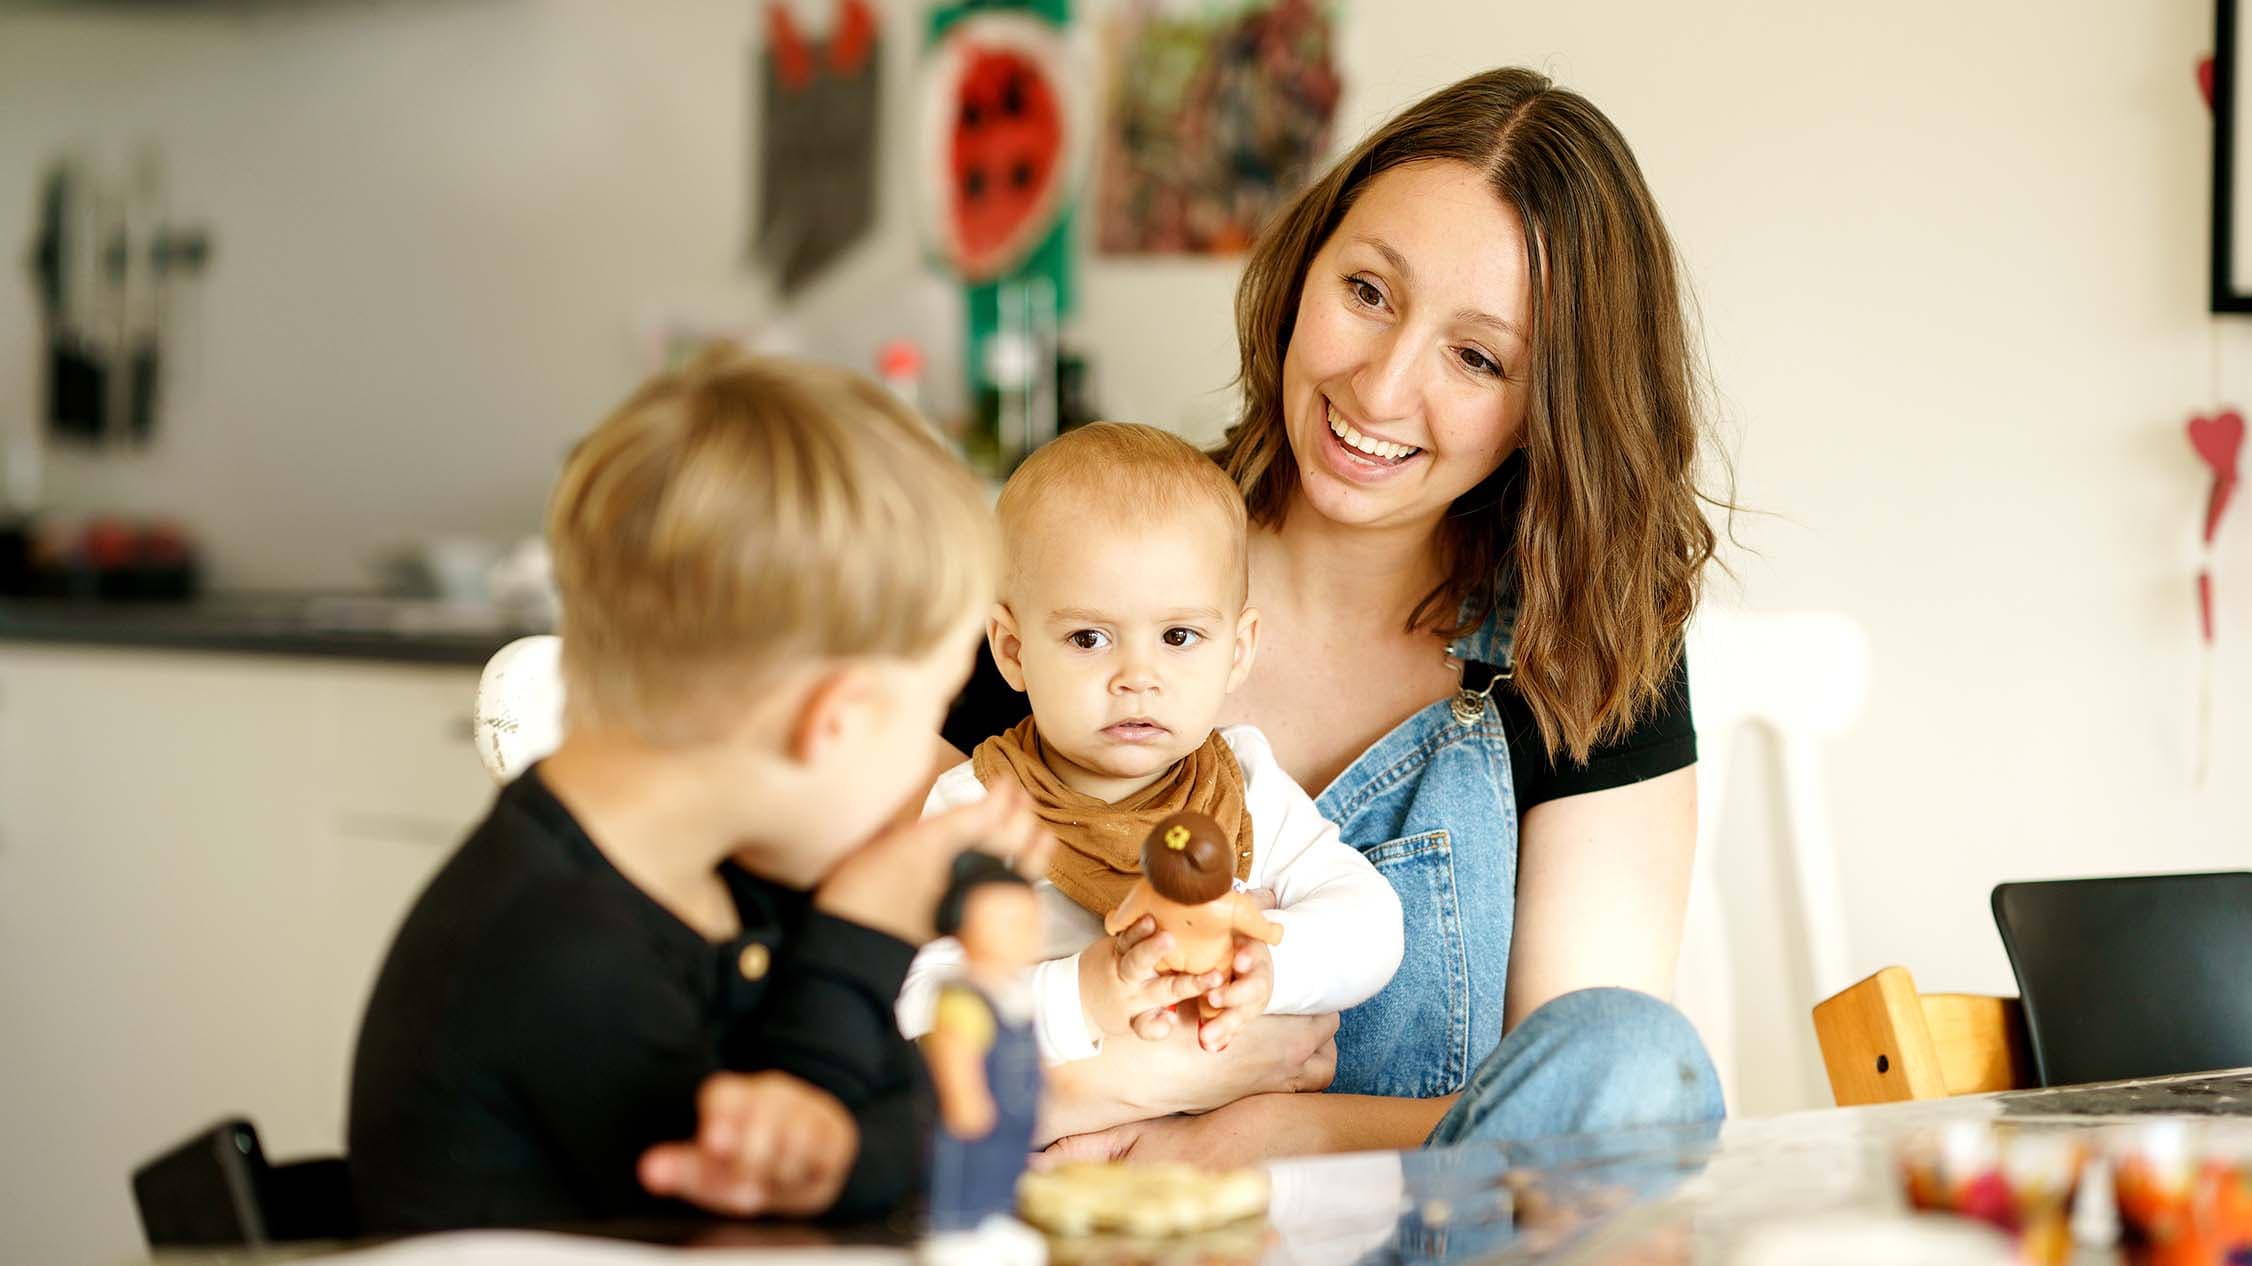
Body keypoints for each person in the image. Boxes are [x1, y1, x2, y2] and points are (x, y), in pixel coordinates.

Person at [943, 66, 1727, 1161]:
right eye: (1366, 291)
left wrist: (1239, 1136)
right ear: (1304, 267)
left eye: (1475, 356)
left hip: (1424, 1237)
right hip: (1066, 1229)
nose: (1379, 387)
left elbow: (1580, 1111)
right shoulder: (1073, 566)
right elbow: (850, 1039)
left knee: (1633, 1057)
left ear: (1548, 408)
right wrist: (1143, 1074)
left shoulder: (1583, 642)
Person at [346, 351, 1047, 1230]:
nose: (929, 761)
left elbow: (903, 1127)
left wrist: (844, 1142)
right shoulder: (558, 960)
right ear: (832, 720)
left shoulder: (731, 882)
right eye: (931, 711)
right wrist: (864, 933)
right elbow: (777, 1221)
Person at [897, 423, 1402, 1102]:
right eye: (1089, 637)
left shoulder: (1245, 787)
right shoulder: (977, 811)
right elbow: (919, 1003)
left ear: (1238, 649)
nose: (1138, 676)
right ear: (1012, 651)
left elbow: (1372, 924)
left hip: (1234, 1178)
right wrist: (1085, 993)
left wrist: (1268, 965)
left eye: (1178, 636)